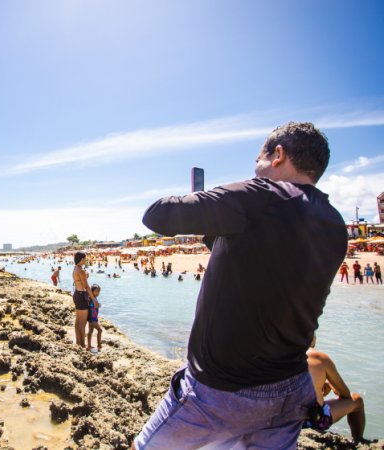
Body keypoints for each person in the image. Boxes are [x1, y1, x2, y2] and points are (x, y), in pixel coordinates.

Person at [133, 122, 347, 449]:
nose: (255, 167)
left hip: (221, 392)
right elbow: (262, 264)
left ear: (278, 155)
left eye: (257, 158)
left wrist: (221, 195)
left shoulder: (259, 196)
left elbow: (157, 215)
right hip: (291, 388)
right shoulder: (334, 223)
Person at [305, 335, 365, 442]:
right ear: (313, 339)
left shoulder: (274, 353)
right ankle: (358, 440)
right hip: (311, 421)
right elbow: (345, 394)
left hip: (278, 420)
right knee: (357, 400)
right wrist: (329, 384)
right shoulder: (318, 357)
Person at [72, 252, 98, 348]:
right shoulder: (81, 271)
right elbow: (86, 287)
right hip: (82, 296)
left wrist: (85, 274)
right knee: (82, 322)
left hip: (76, 294)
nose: (85, 261)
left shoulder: (75, 269)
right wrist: (94, 300)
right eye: (85, 259)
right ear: (82, 259)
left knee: (78, 321)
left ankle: (78, 341)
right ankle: (82, 344)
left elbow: (80, 280)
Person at [87, 284, 102, 353]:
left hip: (92, 318)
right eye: (96, 291)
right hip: (93, 319)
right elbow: (96, 306)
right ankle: (99, 345)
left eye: (99, 291)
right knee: (100, 330)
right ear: (92, 291)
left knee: (90, 331)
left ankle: (89, 345)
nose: (97, 293)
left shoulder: (93, 298)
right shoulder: (92, 299)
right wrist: (98, 305)